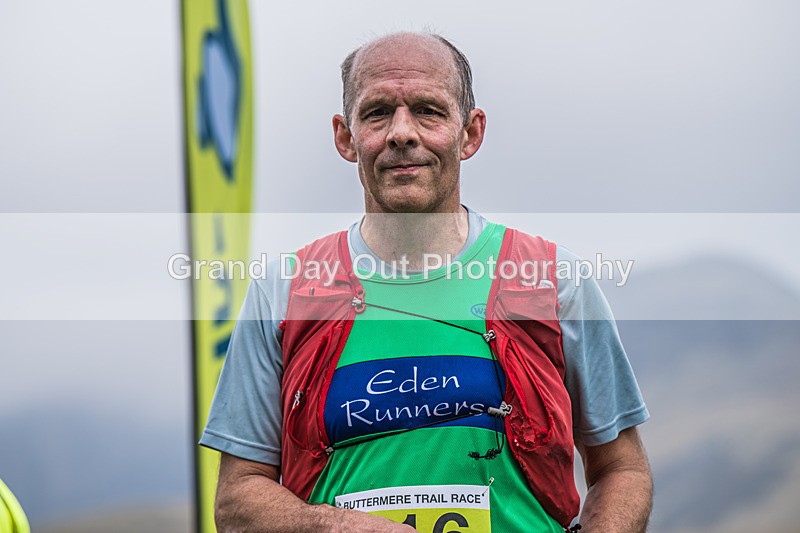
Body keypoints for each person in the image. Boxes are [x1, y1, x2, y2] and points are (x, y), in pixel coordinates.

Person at [200, 32, 653, 532]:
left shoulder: (554, 281)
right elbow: (236, 502)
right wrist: (340, 527)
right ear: (345, 137)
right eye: (377, 113)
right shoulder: (282, 291)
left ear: (470, 133)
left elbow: (622, 471)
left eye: (428, 111)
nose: (401, 133)